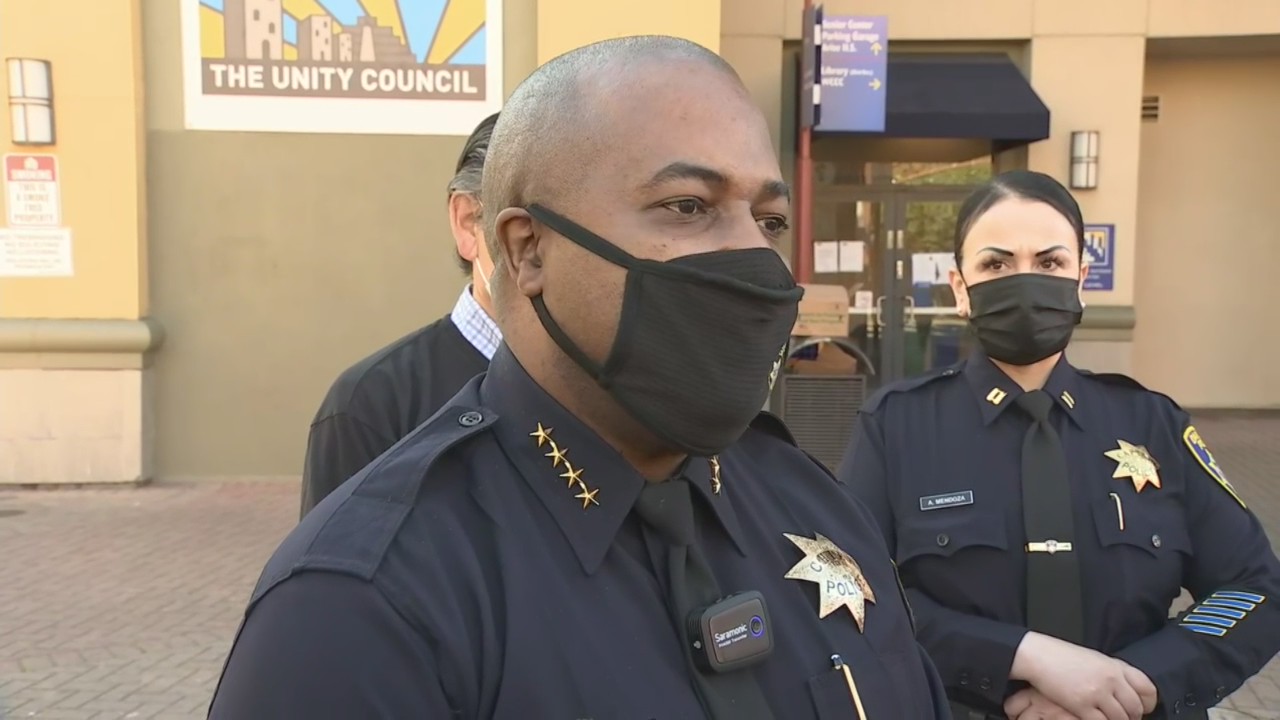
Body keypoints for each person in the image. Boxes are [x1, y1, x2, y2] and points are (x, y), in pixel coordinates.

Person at [209, 35, 951, 719]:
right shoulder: (363, 606)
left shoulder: (815, 507)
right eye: (687, 206)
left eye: (770, 220)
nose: (752, 258)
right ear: (527, 250)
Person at [839, 170, 1280, 720]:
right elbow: (850, 595)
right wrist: (1025, 657)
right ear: (960, 288)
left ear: (1081, 279)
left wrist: (1134, 684)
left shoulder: (1152, 422)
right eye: (996, 264)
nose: (1025, 282)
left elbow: (1256, 589)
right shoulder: (896, 426)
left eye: (1049, 263)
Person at [298, 112, 502, 518]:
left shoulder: (617, 388)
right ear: (467, 223)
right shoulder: (370, 406)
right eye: (531, 221)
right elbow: (331, 577)